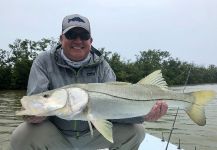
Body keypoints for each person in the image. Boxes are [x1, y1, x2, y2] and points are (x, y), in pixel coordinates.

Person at [10, 14, 168, 150]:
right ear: (61, 38)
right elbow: (34, 101)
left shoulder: (102, 65)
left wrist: (144, 116)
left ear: (90, 40)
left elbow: (115, 110)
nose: (78, 41)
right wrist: (33, 115)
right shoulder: (44, 61)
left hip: (92, 135)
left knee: (136, 131)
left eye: (83, 36)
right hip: (56, 135)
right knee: (22, 135)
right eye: (72, 35)